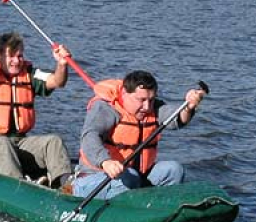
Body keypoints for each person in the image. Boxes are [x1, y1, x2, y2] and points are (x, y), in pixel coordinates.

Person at [0, 6, 72, 188]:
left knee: (53, 142)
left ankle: (67, 188)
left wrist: (61, 64)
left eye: (20, 56)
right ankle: (21, 189)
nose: (17, 61)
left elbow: (57, 81)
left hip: (20, 142)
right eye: (11, 57)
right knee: (2, 144)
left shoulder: (29, 74)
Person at [66, 70, 205, 199]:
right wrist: (105, 162)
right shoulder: (106, 108)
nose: (146, 106)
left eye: (151, 100)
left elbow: (178, 119)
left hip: (137, 176)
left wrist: (188, 107)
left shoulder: (153, 107)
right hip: (95, 177)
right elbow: (89, 137)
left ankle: (158, 207)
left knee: (174, 170)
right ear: (125, 93)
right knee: (130, 176)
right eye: (141, 100)